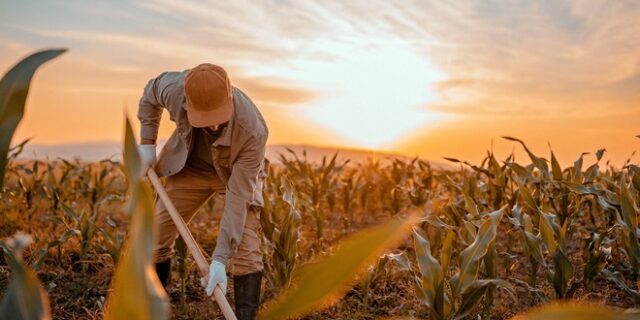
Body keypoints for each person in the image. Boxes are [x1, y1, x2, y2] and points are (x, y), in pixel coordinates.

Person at [136, 63, 269, 320]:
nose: (212, 127)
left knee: (247, 251)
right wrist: (147, 143)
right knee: (154, 238)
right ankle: (155, 312)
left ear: (229, 97)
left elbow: (238, 198)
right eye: (204, 120)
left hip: (232, 174)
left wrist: (219, 259)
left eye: (218, 119)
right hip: (190, 171)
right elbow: (149, 95)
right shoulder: (174, 89)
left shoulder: (252, 131)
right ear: (187, 103)